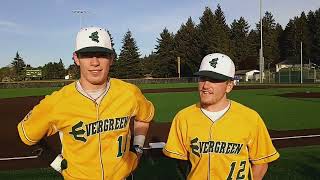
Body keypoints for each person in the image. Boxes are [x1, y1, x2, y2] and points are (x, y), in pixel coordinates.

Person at [17, 27, 154, 180]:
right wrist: (57, 163)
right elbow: (27, 135)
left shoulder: (130, 93)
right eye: (87, 55)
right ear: (76, 58)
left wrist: (137, 149)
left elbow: (144, 117)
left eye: (102, 55)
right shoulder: (57, 102)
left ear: (112, 58)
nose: (95, 62)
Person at [163, 53, 279, 180]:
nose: (205, 85)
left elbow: (261, 163)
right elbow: (181, 163)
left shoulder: (250, 118)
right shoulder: (183, 117)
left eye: (214, 80)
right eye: (202, 78)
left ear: (229, 86)